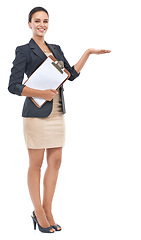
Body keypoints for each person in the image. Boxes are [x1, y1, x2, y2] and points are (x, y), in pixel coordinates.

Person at [8, 6, 111, 233]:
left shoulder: (55, 49)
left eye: (45, 20)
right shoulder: (24, 50)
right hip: (36, 113)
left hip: (56, 112)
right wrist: (39, 93)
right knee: (36, 165)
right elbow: (13, 86)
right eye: (37, 21)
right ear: (29, 24)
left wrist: (88, 53)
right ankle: (38, 211)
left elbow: (70, 76)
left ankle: (47, 209)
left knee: (55, 163)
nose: (41, 24)